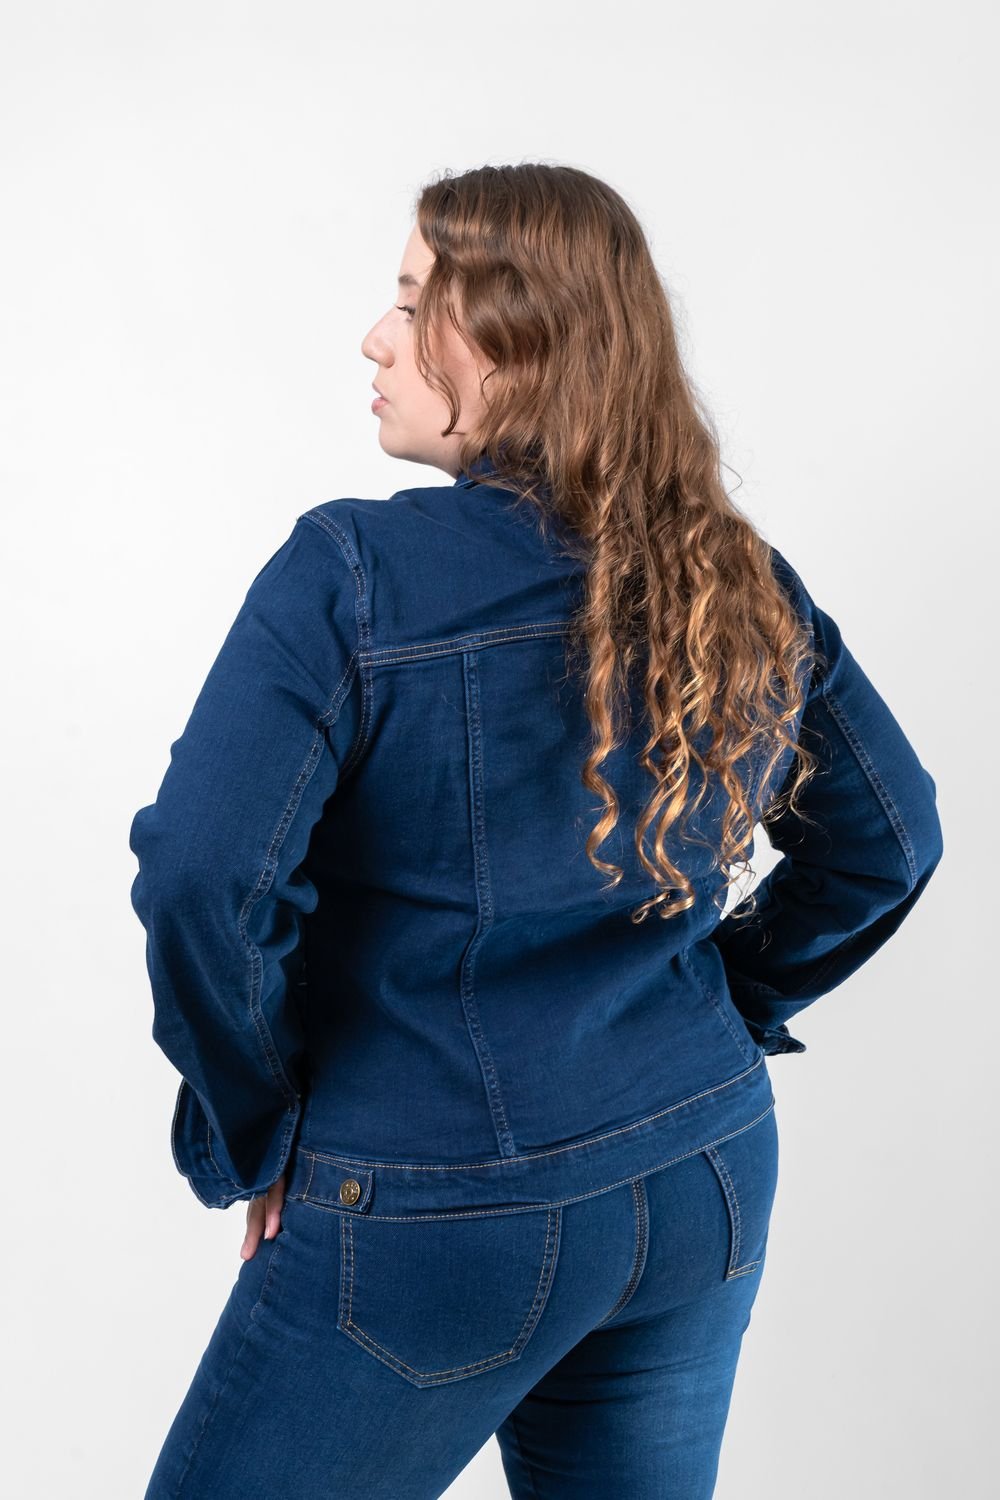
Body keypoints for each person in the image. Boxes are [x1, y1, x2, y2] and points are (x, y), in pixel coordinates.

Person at [128, 162, 944, 1499]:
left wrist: (260, 1121)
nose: (375, 337)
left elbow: (204, 877)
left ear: (517, 345)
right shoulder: (732, 574)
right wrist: (723, 1002)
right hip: (699, 1167)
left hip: (434, 1207)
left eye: (412, 304)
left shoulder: (353, 574)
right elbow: (889, 840)